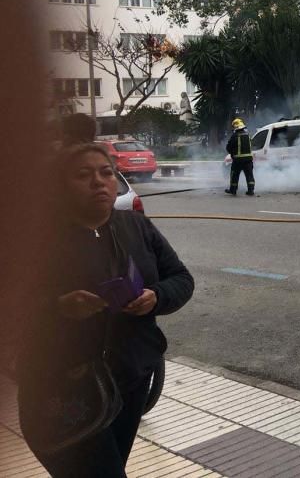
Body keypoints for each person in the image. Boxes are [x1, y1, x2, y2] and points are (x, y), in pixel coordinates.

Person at [17, 142, 194, 477]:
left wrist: (155, 296)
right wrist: (58, 308)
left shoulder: (138, 227)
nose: (98, 181)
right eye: (83, 175)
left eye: (106, 173)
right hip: (67, 388)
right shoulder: (38, 241)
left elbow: (181, 279)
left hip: (132, 378)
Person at [225, 117, 255, 196]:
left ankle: (233, 190)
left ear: (235, 127)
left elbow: (228, 147)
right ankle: (251, 191)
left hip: (238, 161)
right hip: (248, 160)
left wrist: (232, 153)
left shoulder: (235, 136)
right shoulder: (248, 135)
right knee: (249, 175)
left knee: (234, 175)